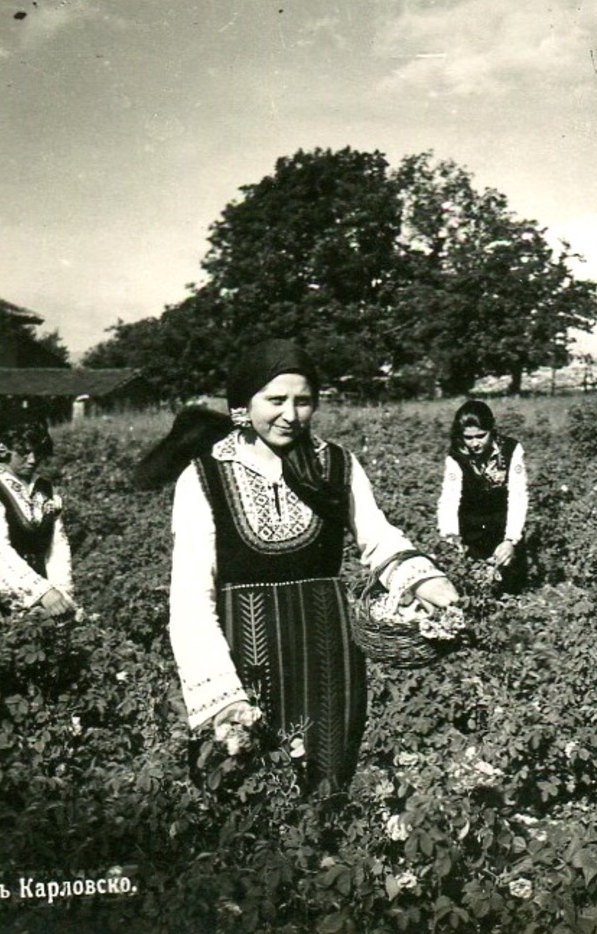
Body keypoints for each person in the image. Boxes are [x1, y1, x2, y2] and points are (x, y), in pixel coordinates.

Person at [134, 339, 460, 796]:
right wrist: (222, 694)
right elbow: (191, 595)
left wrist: (427, 581)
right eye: (276, 400)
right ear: (244, 404)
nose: (290, 414)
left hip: (328, 653)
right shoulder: (206, 475)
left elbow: (377, 536)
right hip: (245, 654)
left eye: (303, 401)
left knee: (327, 782)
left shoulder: (336, 465)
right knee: (245, 784)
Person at [0, 416, 78, 619]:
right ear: (3, 451)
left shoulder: (44, 488)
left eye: (38, 452)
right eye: (23, 453)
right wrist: (41, 592)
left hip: (45, 592)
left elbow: (57, 544)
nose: (32, 460)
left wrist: (61, 593)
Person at [437, 399, 529, 590]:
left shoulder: (511, 450)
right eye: (468, 438)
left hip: (503, 527)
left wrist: (511, 539)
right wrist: (451, 538)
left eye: (481, 436)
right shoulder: (456, 456)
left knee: (509, 589)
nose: (474, 443)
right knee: (473, 587)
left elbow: (518, 496)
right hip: (471, 531)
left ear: (491, 430)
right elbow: (449, 499)